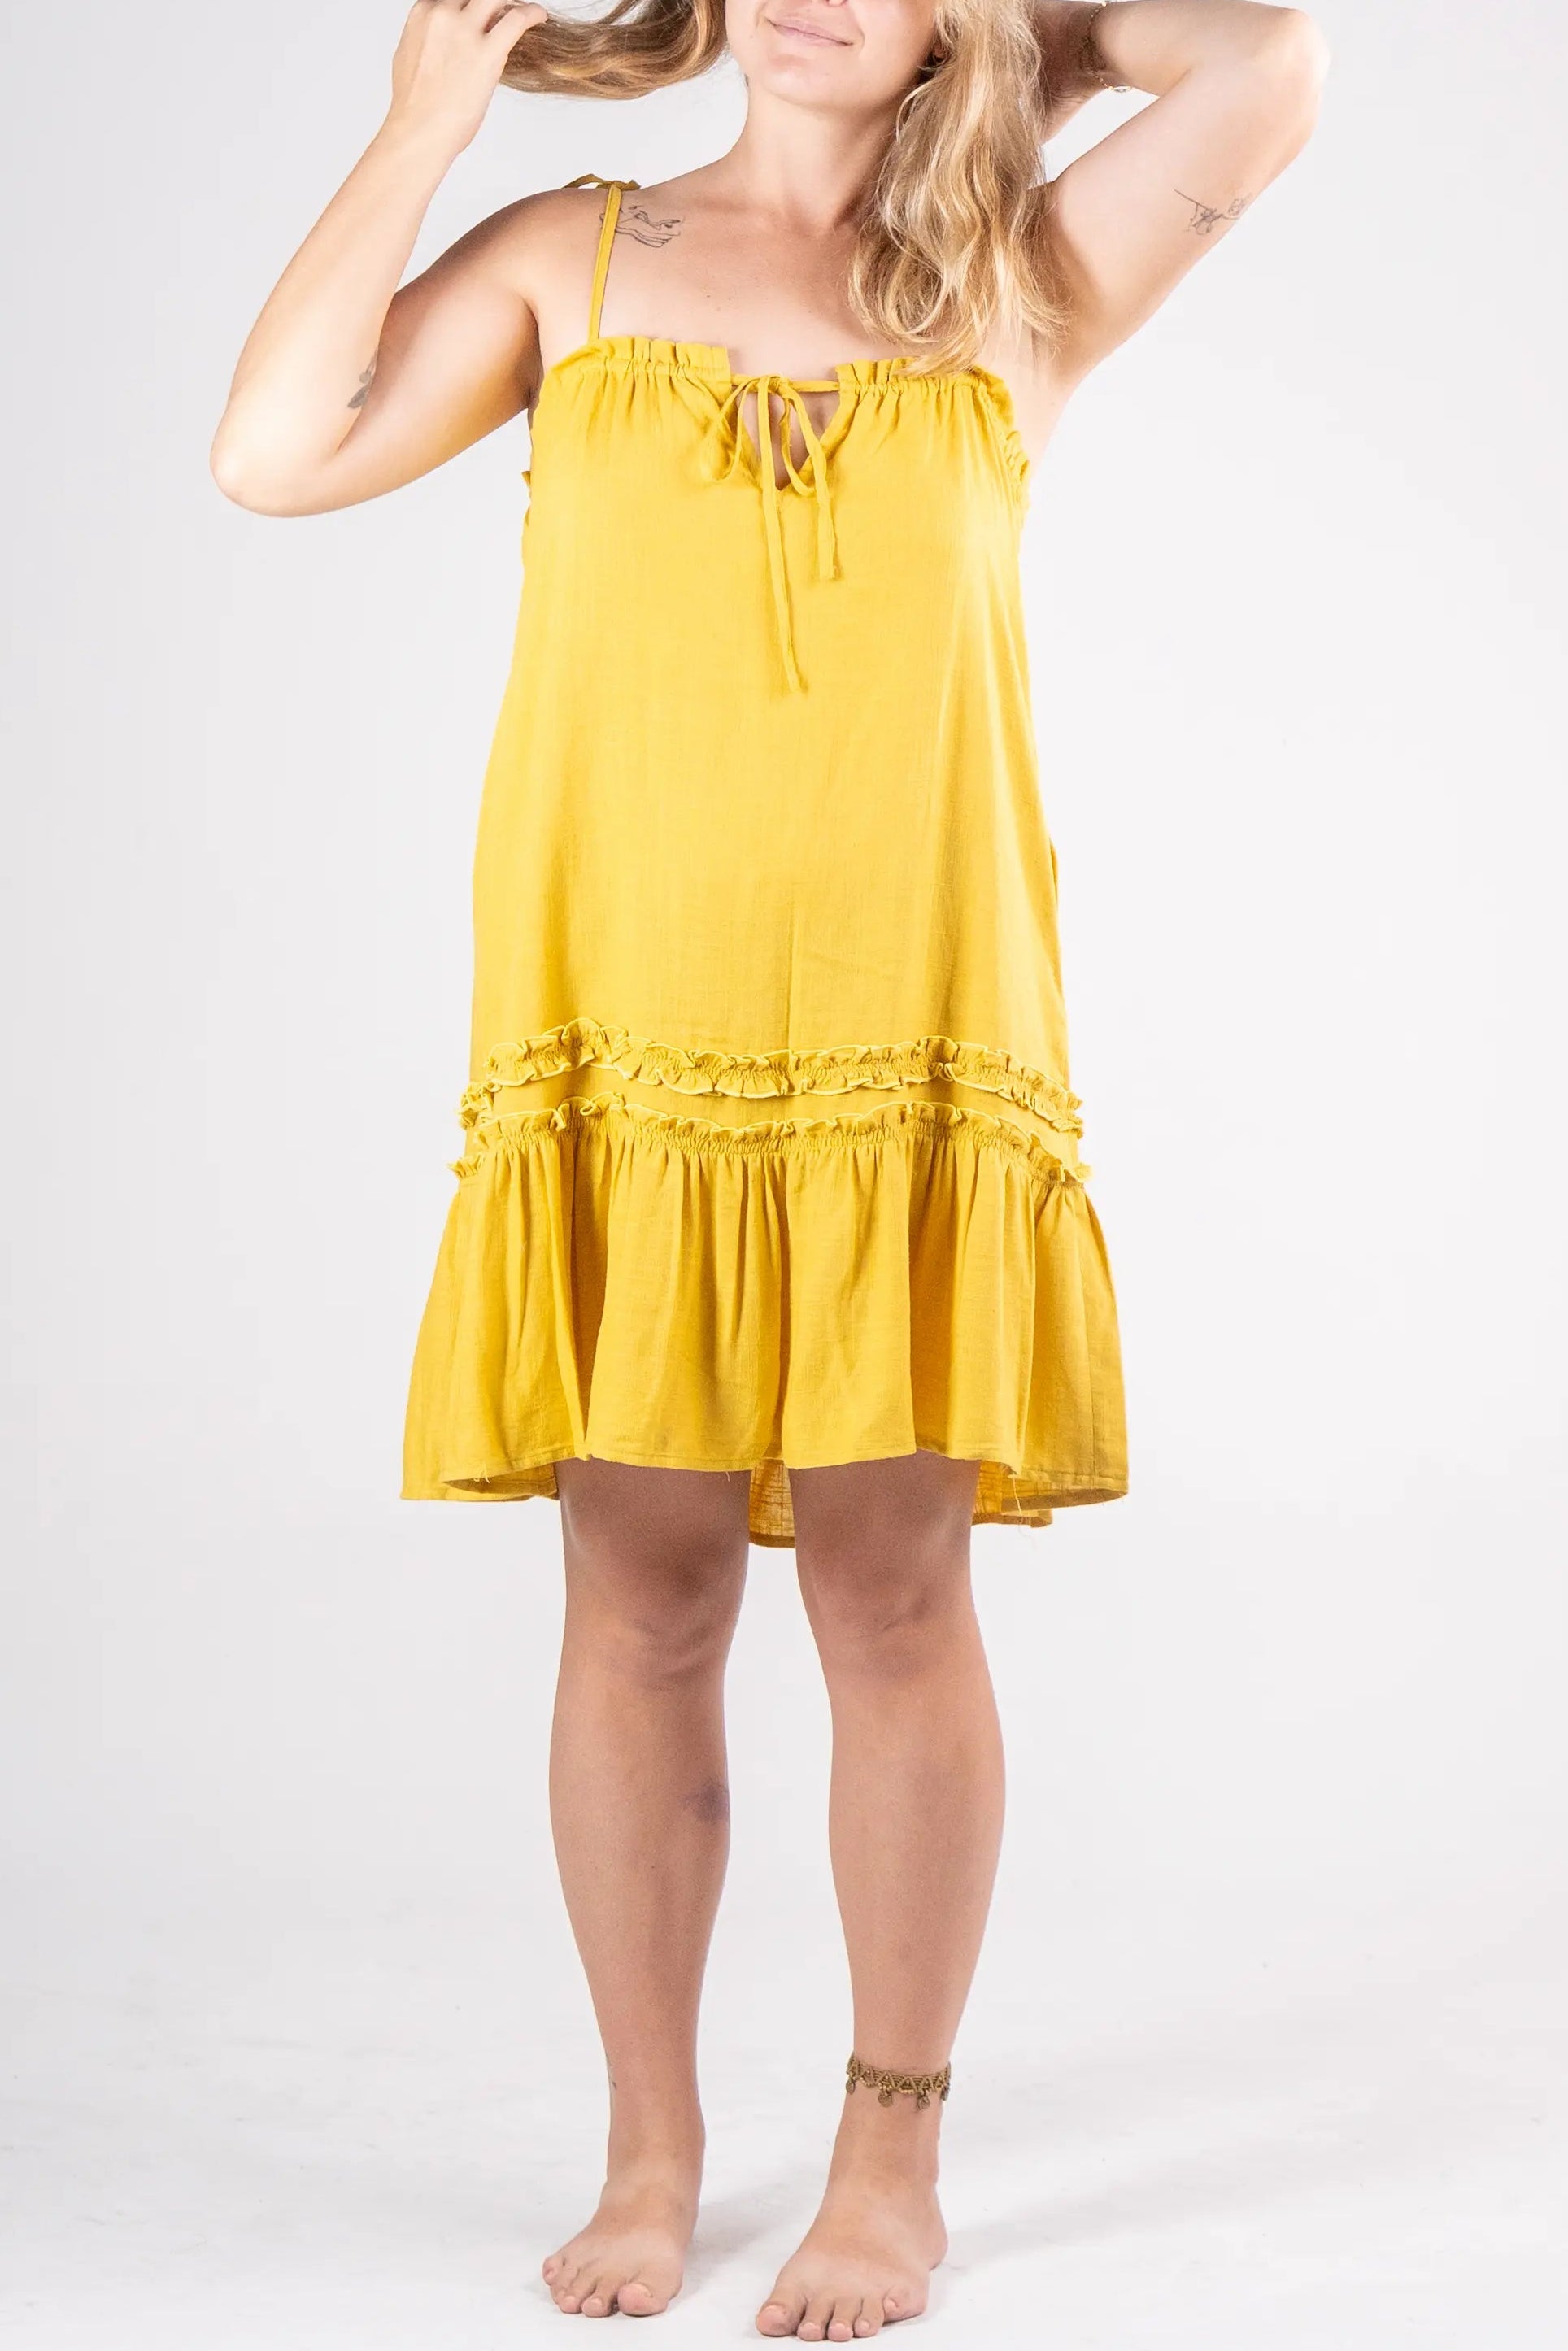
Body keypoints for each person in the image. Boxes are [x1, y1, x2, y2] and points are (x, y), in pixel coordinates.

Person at [211, 0, 1327, 2335]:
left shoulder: (1017, 278)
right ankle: (651, 2141)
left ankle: (891, 2153)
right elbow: (269, 450)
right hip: (624, 1042)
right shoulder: (572, 257)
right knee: (643, 1597)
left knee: (898, 1596)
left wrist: (1024, 49)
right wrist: (428, 120)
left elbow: (1266, 65)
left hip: (907, 1051)